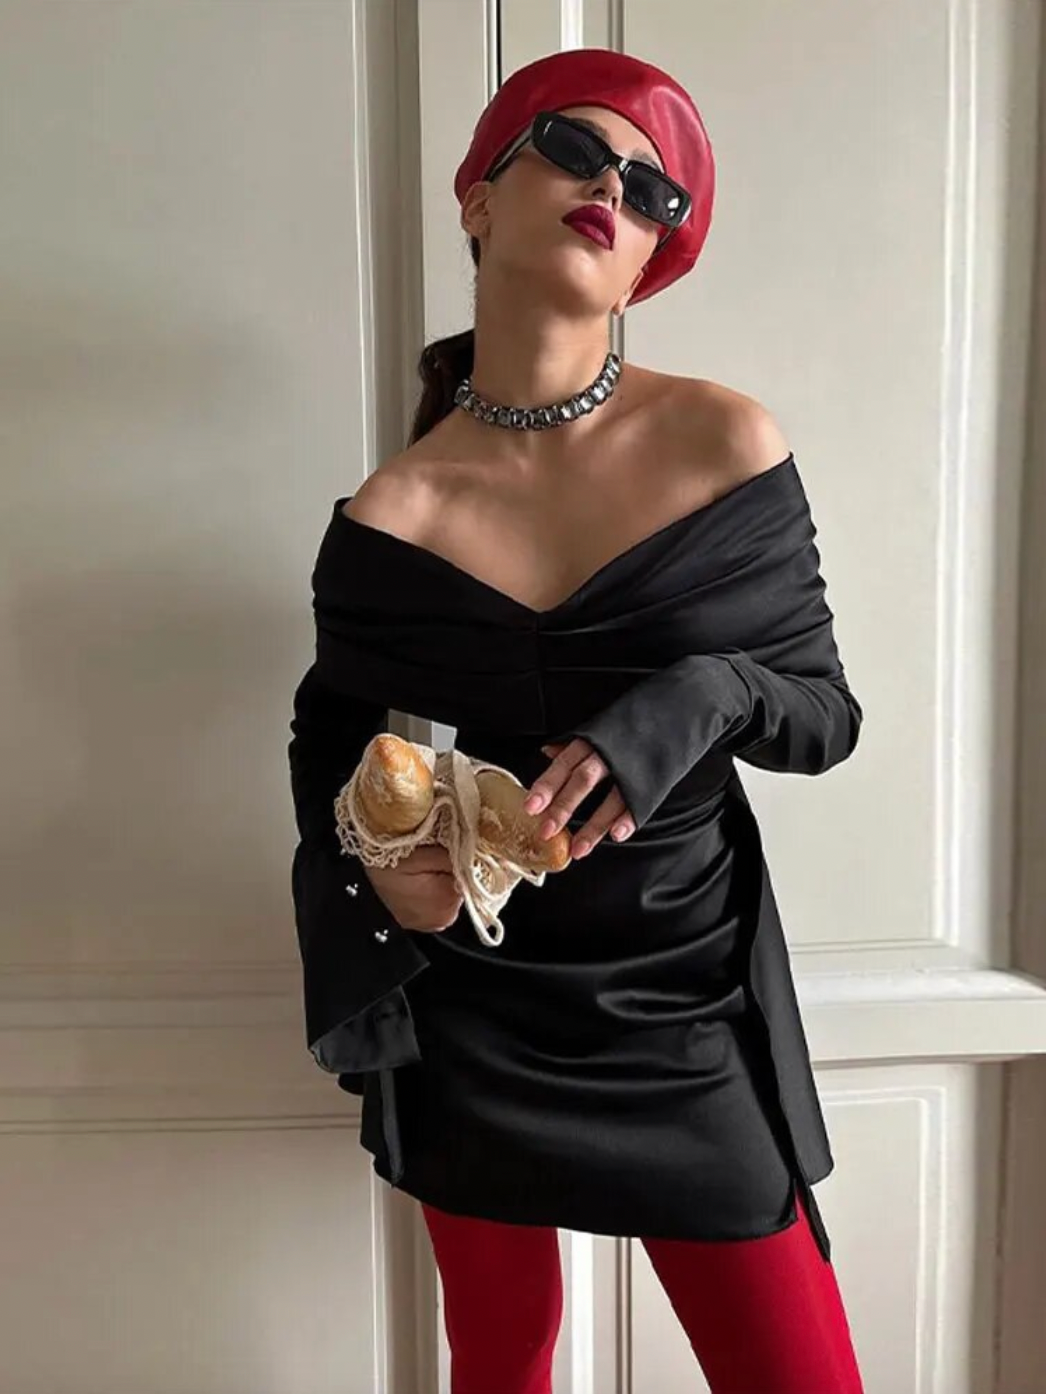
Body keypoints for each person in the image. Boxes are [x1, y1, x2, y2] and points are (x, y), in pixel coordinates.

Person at [288, 46, 866, 1394]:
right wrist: (385, 870)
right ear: (477, 196)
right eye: (573, 147)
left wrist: (700, 692)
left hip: (686, 997)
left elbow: (822, 718)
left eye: (653, 190)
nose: (613, 187)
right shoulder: (390, 515)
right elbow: (331, 755)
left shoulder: (722, 445)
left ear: (651, 261)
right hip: (477, 1005)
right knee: (499, 1360)